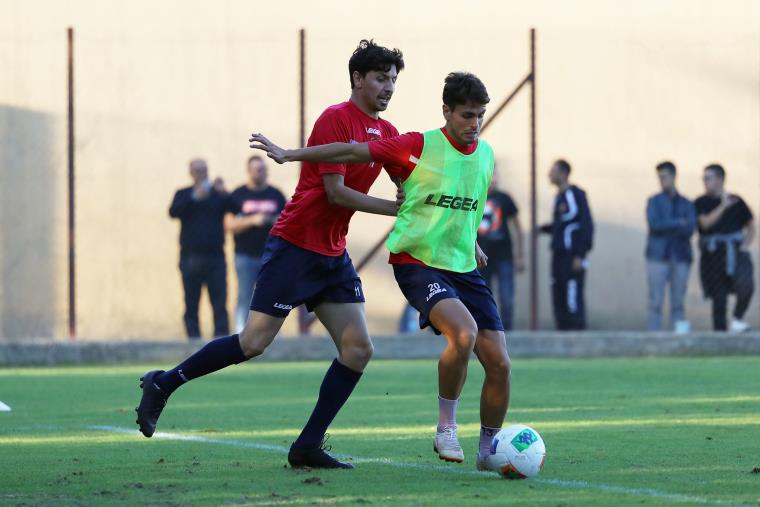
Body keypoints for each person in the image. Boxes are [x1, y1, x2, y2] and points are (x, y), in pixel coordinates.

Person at [136, 39, 406, 469]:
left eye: (394, 79)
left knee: (358, 348)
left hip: (332, 255)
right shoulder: (335, 119)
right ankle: (163, 383)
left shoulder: (389, 134)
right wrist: (396, 207)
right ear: (358, 79)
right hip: (295, 246)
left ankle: (307, 446)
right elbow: (335, 194)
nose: (389, 87)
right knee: (254, 342)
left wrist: (418, 198)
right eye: (380, 78)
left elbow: (409, 182)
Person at [251, 71, 511, 471]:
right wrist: (292, 154)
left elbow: (466, 205)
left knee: (499, 364)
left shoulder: (486, 154)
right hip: (417, 263)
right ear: (446, 111)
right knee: (464, 333)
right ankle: (446, 428)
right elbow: (349, 152)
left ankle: (490, 449)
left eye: (479, 116)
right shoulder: (415, 146)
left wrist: (472, 240)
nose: (473, 124)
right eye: (466, 116)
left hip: (461, 266)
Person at [169, 158, 234, 339]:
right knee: (191, 301)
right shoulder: (183, 194)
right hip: (190, 258)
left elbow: (235, 207)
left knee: (219, 301)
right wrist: (193, 198)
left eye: (204, 170)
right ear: (191, 173)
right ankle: (193, 340)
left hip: (215, 257)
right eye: (197, 170)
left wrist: (224, 192)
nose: (201, 174)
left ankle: (221, 341)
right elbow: (173, 212)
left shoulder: (217, 194)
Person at [225, 155, 286, 332]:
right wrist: (253, 220)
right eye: (256, 169)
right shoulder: (238, 195)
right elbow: (229, 225)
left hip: (272, 256)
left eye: (262, 169)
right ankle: (240, 335)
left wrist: (270, 220)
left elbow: (288, 221)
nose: (259, 172)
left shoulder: (276, 194)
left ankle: (271, 335)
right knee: (245, 297)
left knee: (273, 297)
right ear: (248, 171)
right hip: (245, 256)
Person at [694, 163, 755, 332]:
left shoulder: (737, 200)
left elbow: (751, 224)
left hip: (736, 252)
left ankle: (737, 319)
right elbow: (705, 224)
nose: (705, 181)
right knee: (718, 298)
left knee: (746, 284)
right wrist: (722, 206)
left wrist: (745, 245)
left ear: (720, 179)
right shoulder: (701, 202)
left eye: (708, 178)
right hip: (713, 254)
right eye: (704, 178)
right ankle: (719, 337)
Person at [539, 160, 594, 330]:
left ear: (563, 174)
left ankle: (576, 331)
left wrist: (580, 254)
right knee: (558, 290)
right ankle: (561, 330)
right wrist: (542, 229)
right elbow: (560, 225)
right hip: (558, 254)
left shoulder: (575, 194)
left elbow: (585, 224)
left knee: (572, 292)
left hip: (572, 255)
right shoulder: (559, 198)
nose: (549, 174)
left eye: (553, 171)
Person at [645, 161, 696, 331]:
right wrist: (677, 223)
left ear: (674, 176)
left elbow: (689, 228)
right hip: (657, 256)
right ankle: (653, 340)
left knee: (678, 303)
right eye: (659, 178)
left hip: (681, 257)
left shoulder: (687, 203)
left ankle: (679, 341)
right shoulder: (654, 201)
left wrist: (668, 225)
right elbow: (654, 225)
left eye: (664, 177)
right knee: (655, 302)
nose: (661, 181)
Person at [477, 166, 524, 330]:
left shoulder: (504, 198)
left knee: (507, 297)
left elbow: (517, 227)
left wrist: (520, 255)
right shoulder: (475, 195)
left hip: (504, 256)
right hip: (482, 258)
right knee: (485, 296)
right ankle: (490, 330)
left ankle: (507, 331)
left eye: (494, 173)